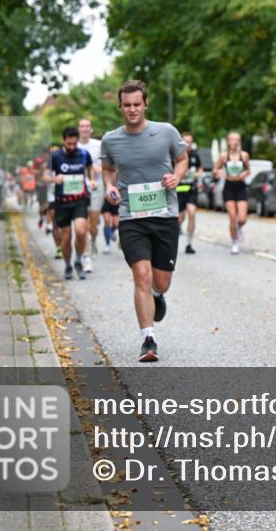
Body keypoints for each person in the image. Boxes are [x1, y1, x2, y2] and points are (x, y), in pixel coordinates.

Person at [102, 79, 188, 363]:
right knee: (141, 275)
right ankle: (148, 340)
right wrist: (109, 186)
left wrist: (176, 176)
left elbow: (182, 159)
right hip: (131, 217)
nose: (132, 109)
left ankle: (157, 295)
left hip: (164, 215)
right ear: (120, 107)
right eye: (127, 105)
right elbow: (107, 169)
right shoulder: (111, 139)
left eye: (137, 104)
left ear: (145, 104)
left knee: (160, 282)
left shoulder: (166, 132)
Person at [44, 127, 96, 281]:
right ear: (64, 141)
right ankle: (68, 265)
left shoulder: (84, 154)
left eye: (74, 143)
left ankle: (78, 260)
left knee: (81, 231)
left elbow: (91, 167)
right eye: (69, 144)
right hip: (62, 202)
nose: (72, 146)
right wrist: (54, 179)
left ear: (77, 141)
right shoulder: (56, 156)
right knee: (66, 237)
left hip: (80, 200)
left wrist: (92, 180)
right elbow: (45, 176)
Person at [213, 131, 250, 254]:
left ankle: (238, 228)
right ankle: (234, 243)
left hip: (240, 186)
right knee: (232, 216)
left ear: (239, 142)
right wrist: (219, 172)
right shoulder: (224, 156)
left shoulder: (244, 155)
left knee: (242, 218)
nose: (234, 142)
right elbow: (215, 169)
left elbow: (248, 169)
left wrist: (245, 173)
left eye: (237, 140)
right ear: (228, 141)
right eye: (232, 139)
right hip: (228, 186)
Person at [78, 119, 103, 274]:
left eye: (87, 126)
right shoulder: (74, 146)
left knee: (92, 226)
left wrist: (99, 169)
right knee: (84, 223)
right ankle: (86, 257)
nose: (85, 128)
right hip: (79, 188)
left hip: (96, 186)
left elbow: (108, 163)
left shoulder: (98, 145)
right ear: (78, 129)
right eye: (82, 126)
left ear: (91, 129)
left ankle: (93, 239)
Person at [177, 131, 204, 254]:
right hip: (178, 190)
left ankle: (189, 244)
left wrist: (198, 173)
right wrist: (180, 174)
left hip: (191, 189)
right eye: (185, 142)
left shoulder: (195, 155)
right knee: (179, 218)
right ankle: (173, 239)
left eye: (190, 142)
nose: (188, 144)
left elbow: (200, 168)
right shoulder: (175, 154)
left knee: (192, 213)